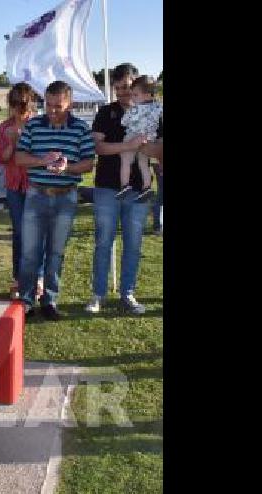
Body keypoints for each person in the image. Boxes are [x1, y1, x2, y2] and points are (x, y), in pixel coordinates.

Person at [13, 80, 96, 320]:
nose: (52, 110)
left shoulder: (80, 128)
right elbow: (19, 158)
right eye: (48, 105)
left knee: (56, 252)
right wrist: (43, 160)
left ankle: (50, 299)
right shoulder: (33, 125)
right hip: (36, 194)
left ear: (70, 103)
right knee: (29, 253)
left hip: (65, 198)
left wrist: (68, 167)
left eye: (58, 106)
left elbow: (89, 163)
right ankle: (26, 300)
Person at [86, 63, 161, 315]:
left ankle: (127, 293)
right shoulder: (105, 112)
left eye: (126, 88)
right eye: (117, 88)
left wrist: (142, 148)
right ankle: (98, 294)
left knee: (133, 244)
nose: (122, 93)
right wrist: (127, 145)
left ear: (136, 85)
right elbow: (97, 148)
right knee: (103, 242)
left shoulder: (153, 113)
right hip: (107, 187)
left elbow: (159, 150)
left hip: (139, 190)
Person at [0, 82, 44, 301]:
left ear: (30, 102)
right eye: (15, 103)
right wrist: (13, 143)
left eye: (23, 103)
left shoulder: (39, 124)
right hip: (15, 185)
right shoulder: (4, 127)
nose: (19, 108)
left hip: (36, 183)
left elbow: (43, 155)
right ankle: (18, 278)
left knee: (37, 232)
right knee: (19, 232)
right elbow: (2, 158)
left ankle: (39, 278)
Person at [116, 76, 163, 202]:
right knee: (143, 164)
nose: (132, 98)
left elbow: (124, 122)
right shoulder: (158, 107)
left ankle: (125, 185)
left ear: (148, 95)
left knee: (126, 161)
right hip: (149, 139)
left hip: (133, 136)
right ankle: (147, 187)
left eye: (135, 95)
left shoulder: (134, 109)